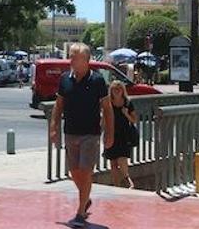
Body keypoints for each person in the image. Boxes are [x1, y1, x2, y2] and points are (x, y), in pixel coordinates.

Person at [49, 43, 114, 228]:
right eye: (70, 56)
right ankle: (86, 198)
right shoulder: (65, 79)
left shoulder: (97, 81)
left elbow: (107, 109)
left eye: (73, 57)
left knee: (86, 172)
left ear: (85, 60)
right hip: (70, 132)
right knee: (74, 172)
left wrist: (109, 134)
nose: (70, 60)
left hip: (90, 134)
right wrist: (53, 127)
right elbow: (58, 105)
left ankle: (80, 212)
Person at [103, 80, 137, 189]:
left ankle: (128, 180)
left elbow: (134, 120)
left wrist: (126, 114)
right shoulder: (108, 102)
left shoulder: (127, 102)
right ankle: (116, 185)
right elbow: (103, 119)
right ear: (111, 91)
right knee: (113, 162)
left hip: (124, 134)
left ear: (123, 90)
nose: (117, 91)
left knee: (122, 158)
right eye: (114, 89)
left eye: (119, 89)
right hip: (111, 132)